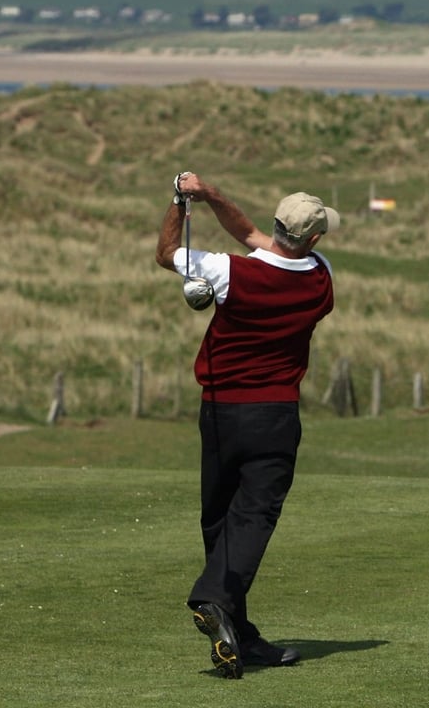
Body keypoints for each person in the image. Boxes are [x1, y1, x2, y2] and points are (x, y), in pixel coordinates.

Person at [155, 172, 338, 679]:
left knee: (219, 520)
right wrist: (211, 195)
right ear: (314, 240)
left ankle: (238, 631)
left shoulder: (225, 271)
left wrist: (183, 199)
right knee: (252, 517)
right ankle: (214, 600)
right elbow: (255, 240)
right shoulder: (320, 278)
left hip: (217, 413)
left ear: (277, 224)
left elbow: (168, 251)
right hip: (273, 417)